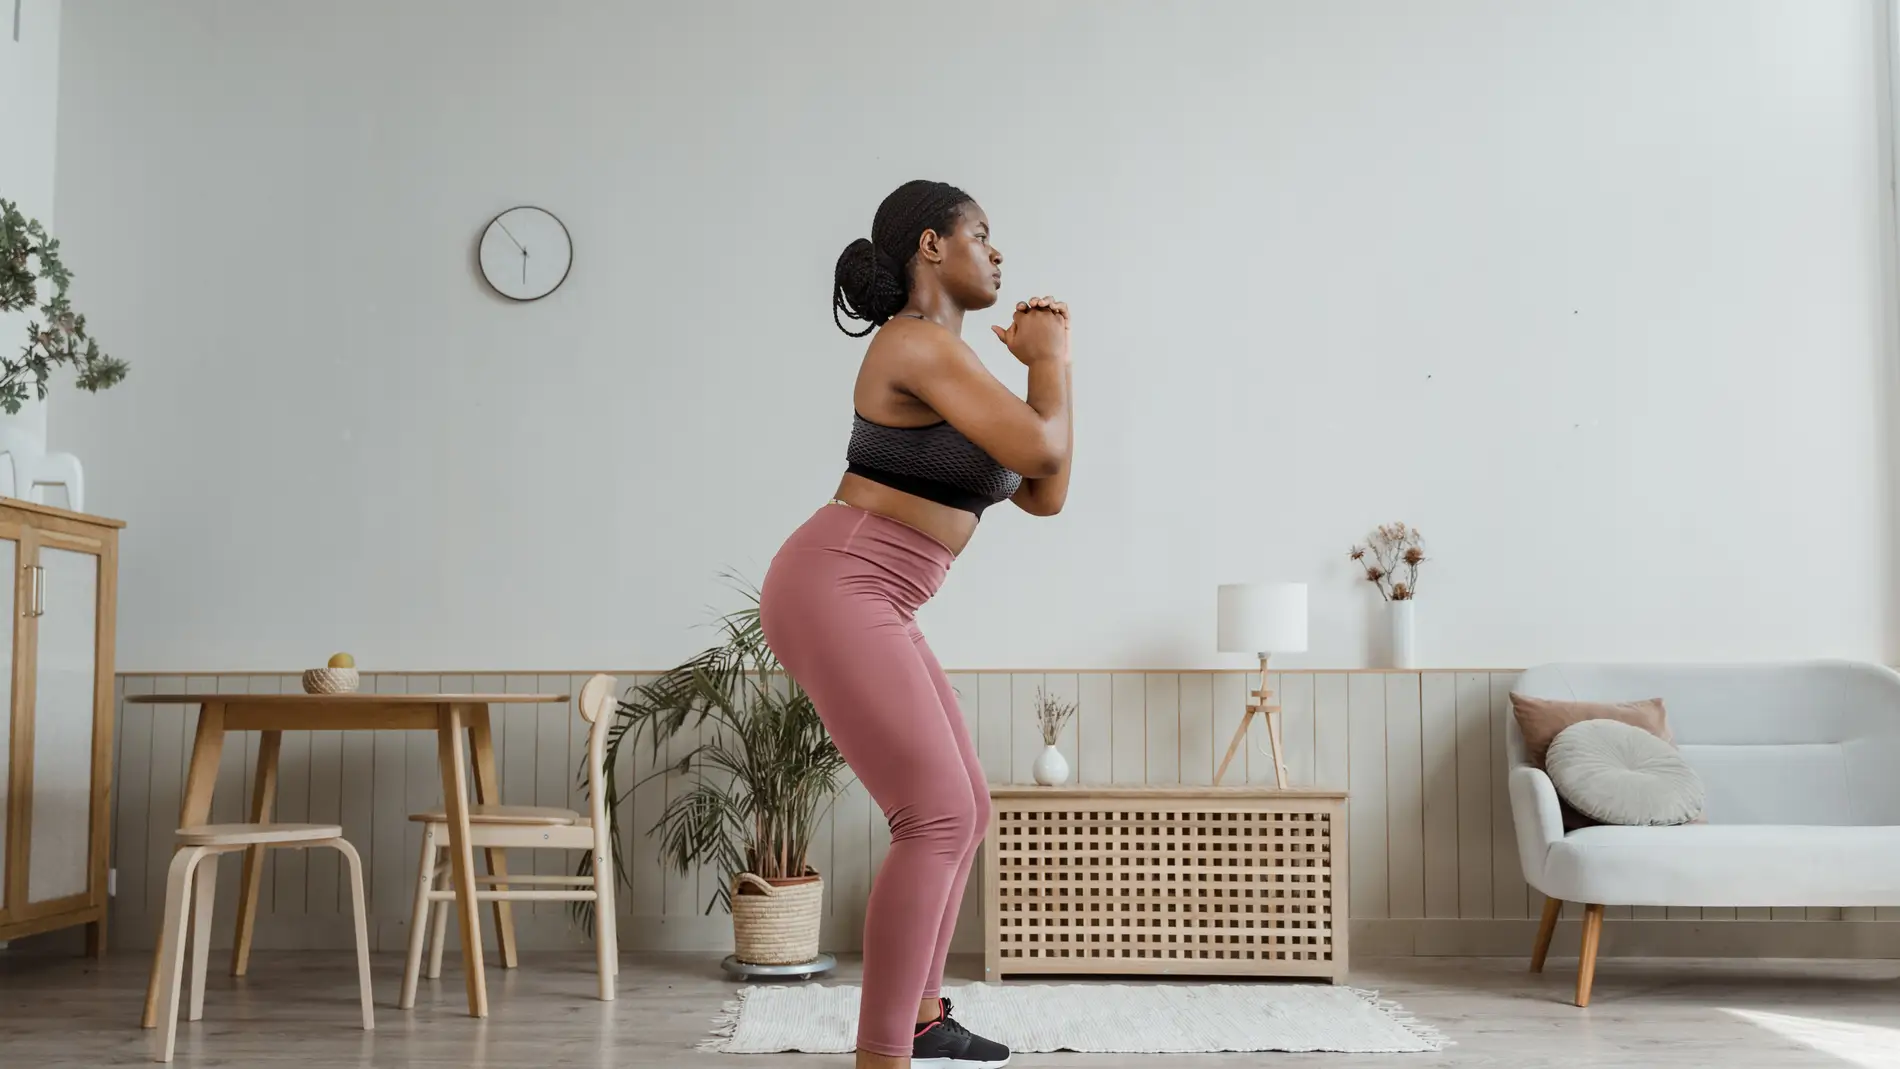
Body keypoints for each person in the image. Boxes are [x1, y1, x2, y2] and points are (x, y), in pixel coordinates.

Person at [759, 179, 1073, 1069]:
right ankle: (883, 1053)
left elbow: (1047, 493)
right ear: (931, 246)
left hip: (874, 592)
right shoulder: (914, 345)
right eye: (982, 233)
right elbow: (1046, 450)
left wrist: (1049, 366)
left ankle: (926, 1020)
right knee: (932, 813)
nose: (998, 252)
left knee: (963, 806)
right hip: (839, 580)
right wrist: (1049, 361)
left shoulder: (957, 370)